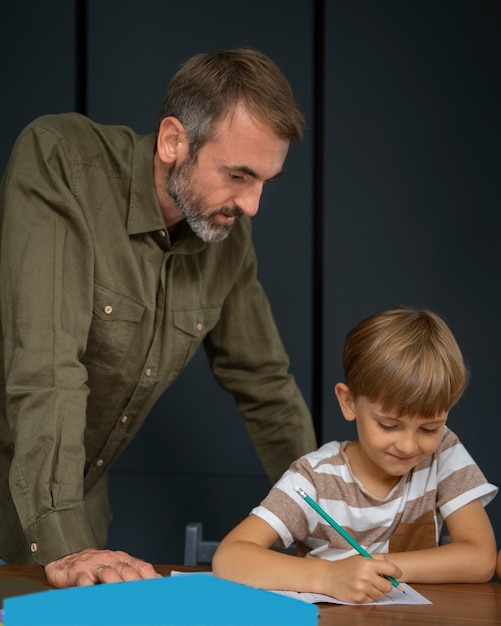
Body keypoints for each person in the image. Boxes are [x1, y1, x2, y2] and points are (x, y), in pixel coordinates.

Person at [0, 48, 317, 587]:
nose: (253, 205)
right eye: (239, 174)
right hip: (52, 521)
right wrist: (68, 543)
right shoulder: (62, 161)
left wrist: (326, 518)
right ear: (173, 141)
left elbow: (265, 384)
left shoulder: (227, 239)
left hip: (78, 514)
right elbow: (48, 367)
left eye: (266, 180)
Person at [213, 308, 498, 604]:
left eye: (429, 428)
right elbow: (231, 557)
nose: (408, 446)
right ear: (349, 402)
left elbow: (480, 557)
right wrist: (329, 576)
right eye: (389, 425)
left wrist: (376, 568)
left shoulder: (443, 453)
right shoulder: (314, 477)